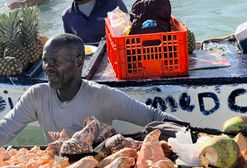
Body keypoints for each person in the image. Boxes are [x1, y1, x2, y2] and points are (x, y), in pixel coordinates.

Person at [0, 33, 179, 146]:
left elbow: (152, 116)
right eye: (45, 61)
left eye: (55, 62)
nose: (47, 67)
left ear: (78, 62)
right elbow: (6, 129)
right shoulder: (36, 95)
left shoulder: (102, 96)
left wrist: (192, 134)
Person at [62, 0, 127, 44]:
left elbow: (128, 32)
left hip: (115, 57)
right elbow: (71, 45)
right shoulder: (66, 16)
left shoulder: (114, 3)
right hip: (87, 61)